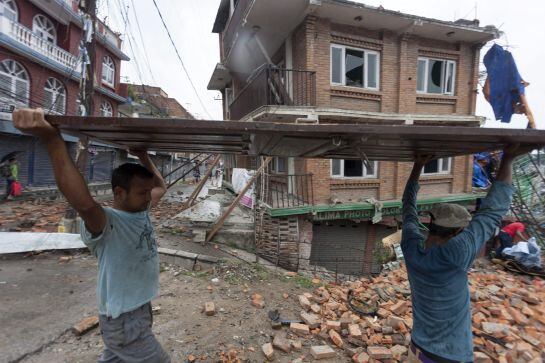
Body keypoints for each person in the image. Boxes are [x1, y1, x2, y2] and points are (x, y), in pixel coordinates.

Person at [12, 108, 170, 363]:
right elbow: (84, 204)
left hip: (139, 308)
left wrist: (142, 156)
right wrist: (53, 140)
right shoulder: (107, 222)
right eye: (142, 192)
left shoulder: (141, 209)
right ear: (119, 193)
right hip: (124, 317)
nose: (148, 196)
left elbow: (161, 186)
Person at [401, 145, 532, 363]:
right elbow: (491, 213)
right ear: (457, 231)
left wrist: (418, 165)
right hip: (450, 356)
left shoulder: (412, 247)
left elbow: (408, 208)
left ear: (431, 222)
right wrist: (508, 158)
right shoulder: (457, 252)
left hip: (418, 349)